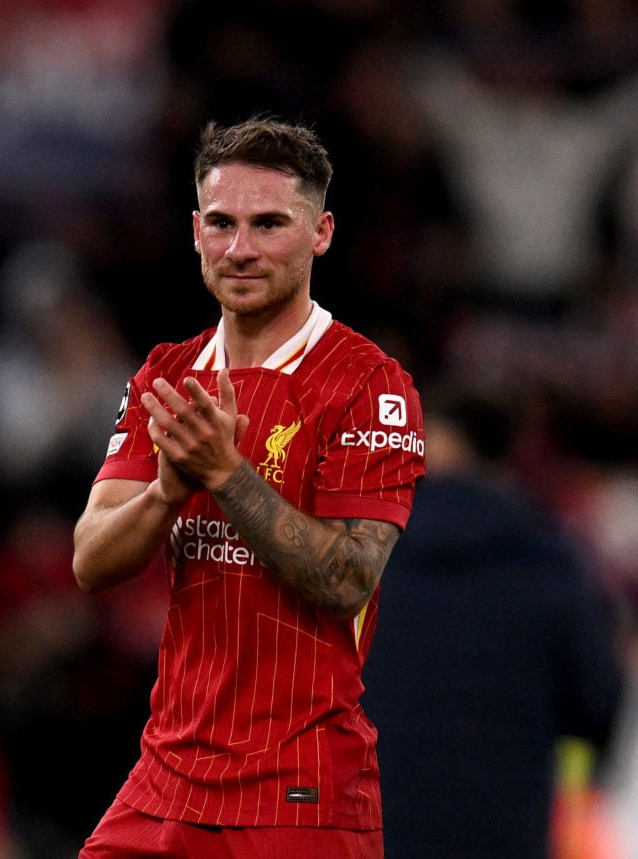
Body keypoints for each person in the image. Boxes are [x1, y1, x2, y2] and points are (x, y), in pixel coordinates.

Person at [71, 116, 426, 858]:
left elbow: (349, 577)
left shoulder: (370, 386)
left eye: (269, 224)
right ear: (195, 230)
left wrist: (226, 476)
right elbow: (92, 560)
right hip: (167, 775)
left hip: (301, 789)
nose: (240, 249)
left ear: (321, 232)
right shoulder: (166, 375)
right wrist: (166, 492)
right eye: (223, 224)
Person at [359, 384, 626, 859]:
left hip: (371, 827)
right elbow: (597, 705)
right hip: (503, 829)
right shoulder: (551, 561)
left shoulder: (357, 556)